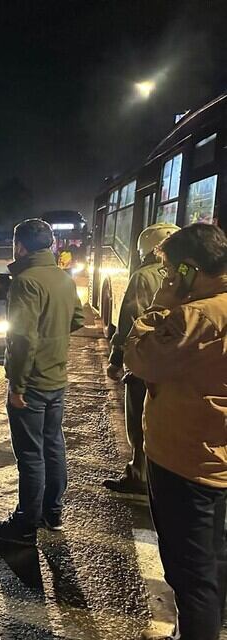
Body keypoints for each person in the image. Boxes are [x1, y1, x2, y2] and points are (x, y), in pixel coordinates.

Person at [124, 223, 227, 640]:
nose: (166, 279)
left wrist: (158, 307)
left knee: (190, 573)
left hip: (186, 460)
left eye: (169, 272)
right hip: (216, 458)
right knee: (213, 563)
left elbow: (140, 358)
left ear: (189, 270)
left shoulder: (196, 316)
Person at [0, 218, 84, 545]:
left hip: (32, 382)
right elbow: (78, 318)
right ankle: (52, 513)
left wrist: (18, 386)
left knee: (30, 454)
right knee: (53, 445)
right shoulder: (63, 278)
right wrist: (54, 337)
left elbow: (23, 339)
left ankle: (26, 522)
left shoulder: (25, 281)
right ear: (51, 244)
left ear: (20, 246)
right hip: (57, 377)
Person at [103, 223, 179, 495]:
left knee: (138, 419)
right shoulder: (193, 276)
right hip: (177, 363)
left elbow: (130, 320)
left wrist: (116, 358)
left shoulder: (143, 276)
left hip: (145, 361)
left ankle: (139, 473)